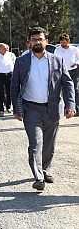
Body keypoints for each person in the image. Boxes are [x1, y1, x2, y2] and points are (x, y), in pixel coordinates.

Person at [11, 27, 76, 191]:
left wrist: (70, 104)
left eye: (40, 39)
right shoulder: (22, 61)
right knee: (35, 142)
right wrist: (16, 108)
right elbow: (14, 86)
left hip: (52, 108)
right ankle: (38, 176)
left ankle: (45, 169)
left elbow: (67, 84)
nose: (37, 42)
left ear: (46, 42)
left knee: (49, 143)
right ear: (30, 43)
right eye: (34, 39)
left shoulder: (57, 60)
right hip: (31, 108)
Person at [54, 34, 79, 114]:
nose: (62, 44)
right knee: (65, 90)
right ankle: (68, 107)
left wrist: (76, 63)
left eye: (64, 42)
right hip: (63, 72)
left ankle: (77, 107)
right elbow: (55, 60)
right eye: (61, 42)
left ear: (68, 41)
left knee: (76, 89)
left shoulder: (75, 49)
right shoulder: (58, 50)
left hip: (74, 71)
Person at [0, 43, 16, 117]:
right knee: (1, 93)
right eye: (4, 48)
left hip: (9, 74)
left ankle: (8, 106)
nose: (6, 49)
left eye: (7, 48)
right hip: (0, 75)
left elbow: (15, 64)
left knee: (9, 91)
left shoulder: (11, 55)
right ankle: (1, 109)